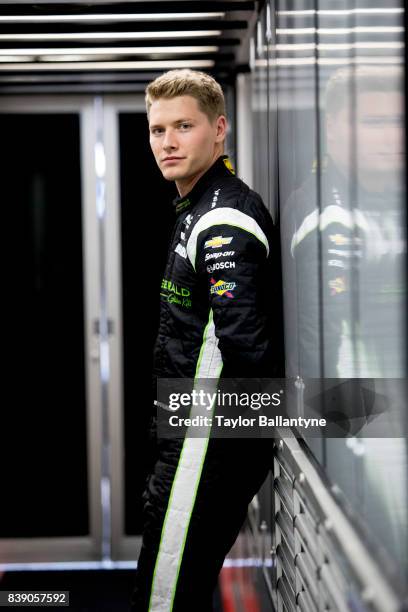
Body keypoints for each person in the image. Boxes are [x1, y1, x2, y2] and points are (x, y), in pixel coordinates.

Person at [129, 69, 282, 611]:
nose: (167, 142)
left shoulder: (221, 217)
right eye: (156, 129)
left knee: (164, 597)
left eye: (184, 126)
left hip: (207, 441)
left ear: (219, 129)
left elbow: (248, 350)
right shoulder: (197, 206)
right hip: (192, 438)